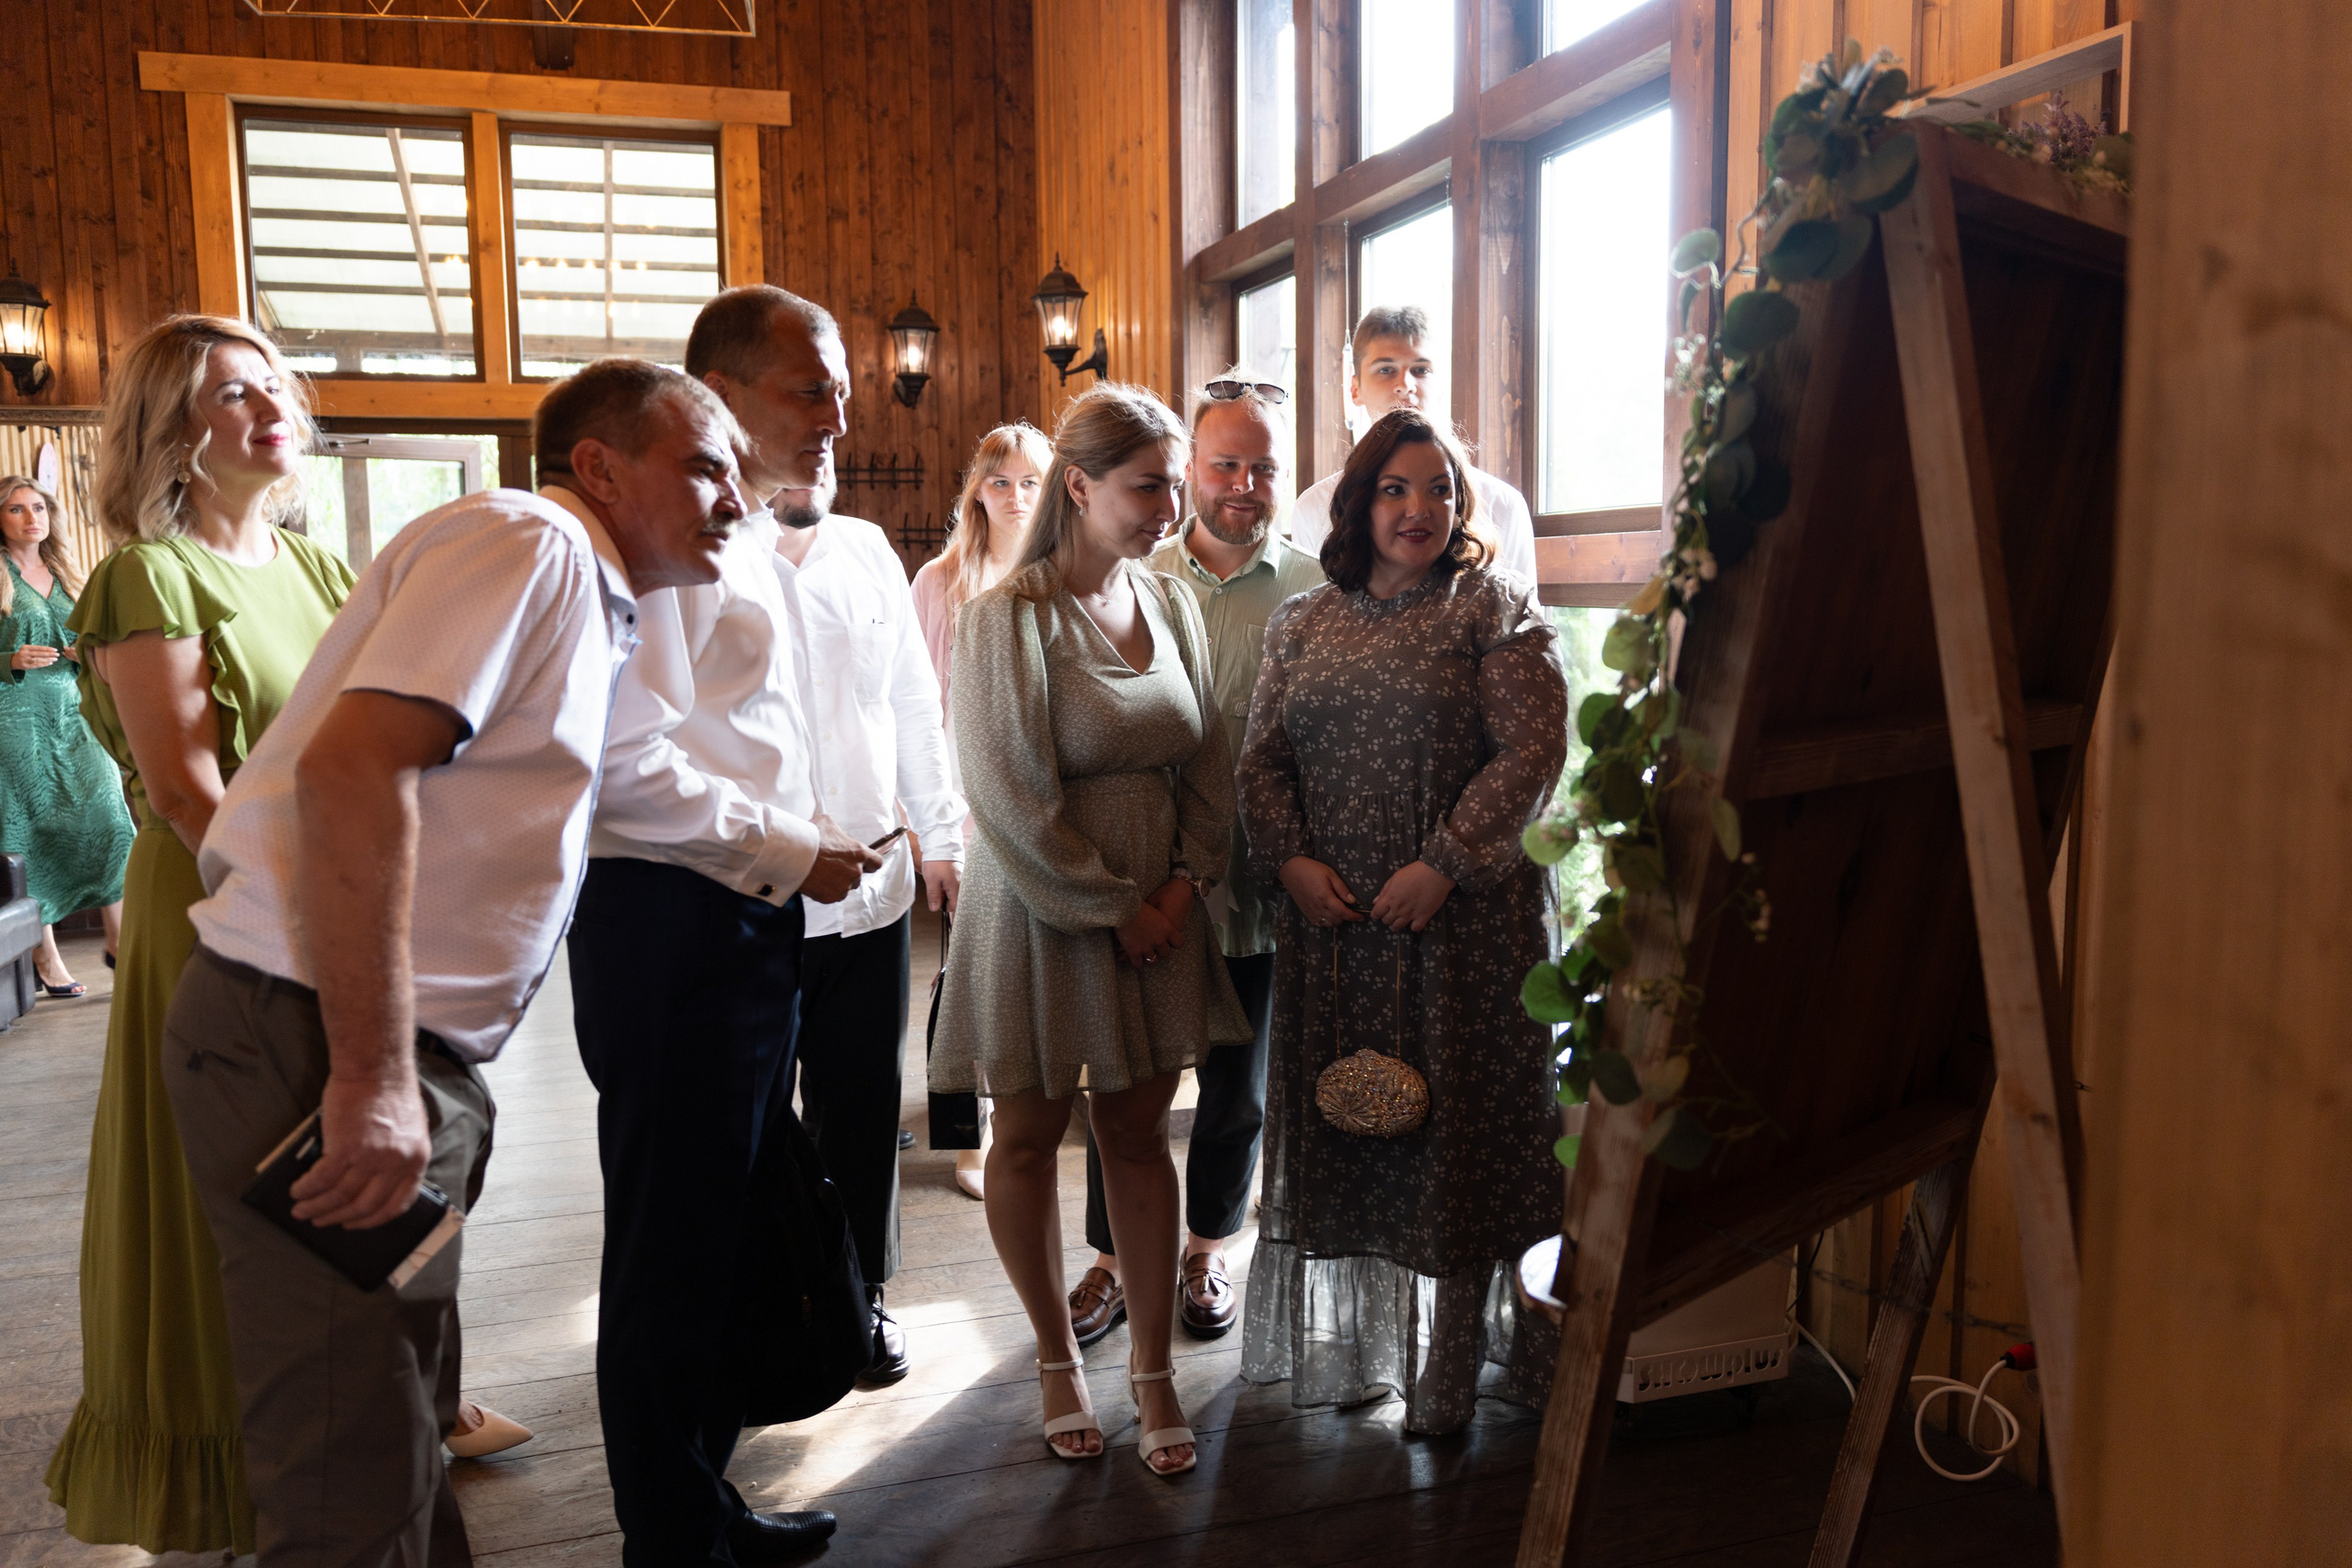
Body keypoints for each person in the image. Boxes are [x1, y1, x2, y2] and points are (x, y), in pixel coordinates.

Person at [158, 358, 752, 1567]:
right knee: (346, 1477)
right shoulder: (529, 539)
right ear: (599, 467)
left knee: (400, 1426)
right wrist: (372, 1074)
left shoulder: (586, 588)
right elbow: (352, 768)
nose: (736, 498)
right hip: (316, 1033)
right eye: (704, 466)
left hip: (376, 1041)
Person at [43, 315, 356, 1559]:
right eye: (233, 394)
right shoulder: (149, 576)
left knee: (346, 1162)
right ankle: (222, 1461)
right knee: (225, 1180)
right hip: (221, 909)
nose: (272, 408)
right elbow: (186, 792)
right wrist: (312, 917)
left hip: (331, 896)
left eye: (275, 385)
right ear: (173, 433)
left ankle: (377, 1405)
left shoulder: (323, 570)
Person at [931, 382, 1250, 1475]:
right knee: (1024, 1137)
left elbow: (1209, 762)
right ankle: (1055, 1357)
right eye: (1148, 487)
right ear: (1078, 486)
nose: (1171, 508)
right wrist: (1115, 907)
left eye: (1174, 486)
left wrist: (1182, 886)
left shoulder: (1173, 603)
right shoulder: (1005, 615)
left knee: (1137, 1137)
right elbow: (1007, 795)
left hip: (1161, 908)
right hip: (1039, 907)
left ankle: (1153, 1372)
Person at [1237, 407, 1569, 1435]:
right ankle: (1361, 1351)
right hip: (1336, 931)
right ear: (1358, 502)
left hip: (1465, 931)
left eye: (1440, 490)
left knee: (1462, 1142)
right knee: (1357, 1134)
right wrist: (1290, 861)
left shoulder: (1492, 608)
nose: (1418, 508)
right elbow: (1260, 764)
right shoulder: (1302, 621)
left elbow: (1533, 752)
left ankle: (1452, 1368)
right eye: (1395, 488)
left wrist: (1445, 865)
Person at [1069, 381, 1323, 1349]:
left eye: (1264, 467)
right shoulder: (1133, 570)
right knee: (1124, 1081)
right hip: (1143, 880)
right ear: (1188, 471)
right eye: (1225, 465)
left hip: (1257, 882)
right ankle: (1108, 1260)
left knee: (1236, 1089)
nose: (1244, 484)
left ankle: (1208, 1248)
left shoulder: (1314, 589)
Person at [749, 310, 966, 1392]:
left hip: (872, 893)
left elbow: (912, 704)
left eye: (839, 415)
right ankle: (766, 1311)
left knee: (863, 1109)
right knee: (755, 1119)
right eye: (809, 403)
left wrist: (943, 836)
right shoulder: (706, 555)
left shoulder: (870, 550)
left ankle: (862, 1300)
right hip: (751, 897)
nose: (830, 435)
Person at [910, 421, 1052, 1201]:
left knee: (1031, 971)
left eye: (1031, 481)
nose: (1016, 496)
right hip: (967, 801)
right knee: (969, 972)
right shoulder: (941, 581)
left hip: (1044, 801)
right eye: (1001, 481)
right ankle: (972, 1130)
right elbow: (918, 708)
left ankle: (1027, 1112)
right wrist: (930, 820)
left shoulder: (1062, 571)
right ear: (978, 491)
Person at [1284, 306, 1540, 586]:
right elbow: (1317, 607)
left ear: (1441, 384)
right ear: (1355, 389)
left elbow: (1520, 608)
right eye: (1385, 370)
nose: (1405, 385)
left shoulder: (1502, 503)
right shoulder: (1314, 507)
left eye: (1421, 370)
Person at [0, 476, 131, 998]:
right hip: (15, 718)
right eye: (16, 509)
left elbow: (100, 640)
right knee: (31, 831)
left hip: (77, 714)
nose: (31, 517)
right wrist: (9, 659)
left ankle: (121, 941)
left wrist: (89, 652)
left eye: (38, 507)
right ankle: (45, 954)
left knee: (112, 821)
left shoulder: (70, 573)